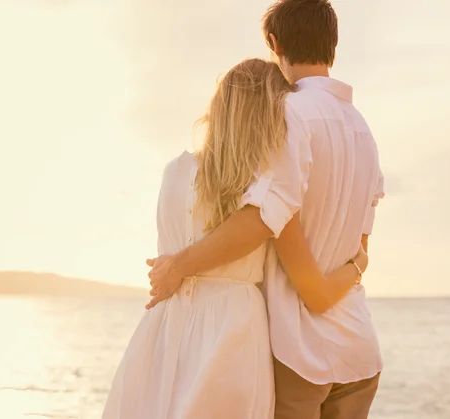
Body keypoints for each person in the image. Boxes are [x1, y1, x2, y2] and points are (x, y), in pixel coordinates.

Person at [146, 2, 385, 419]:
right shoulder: (363, 129)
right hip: (359, 349)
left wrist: (177, 265)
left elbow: (262, 218)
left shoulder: (287, 115)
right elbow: (360, 244)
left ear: (274, 43)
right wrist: (355, 269)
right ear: (333, 44)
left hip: (301, 353)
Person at [102, 58, 367, 419]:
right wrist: (356, 266)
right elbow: (300, 270)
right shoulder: (262, 190)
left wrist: (177, 268)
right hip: (233, 325)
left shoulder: (176, 170)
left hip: (167, 320)